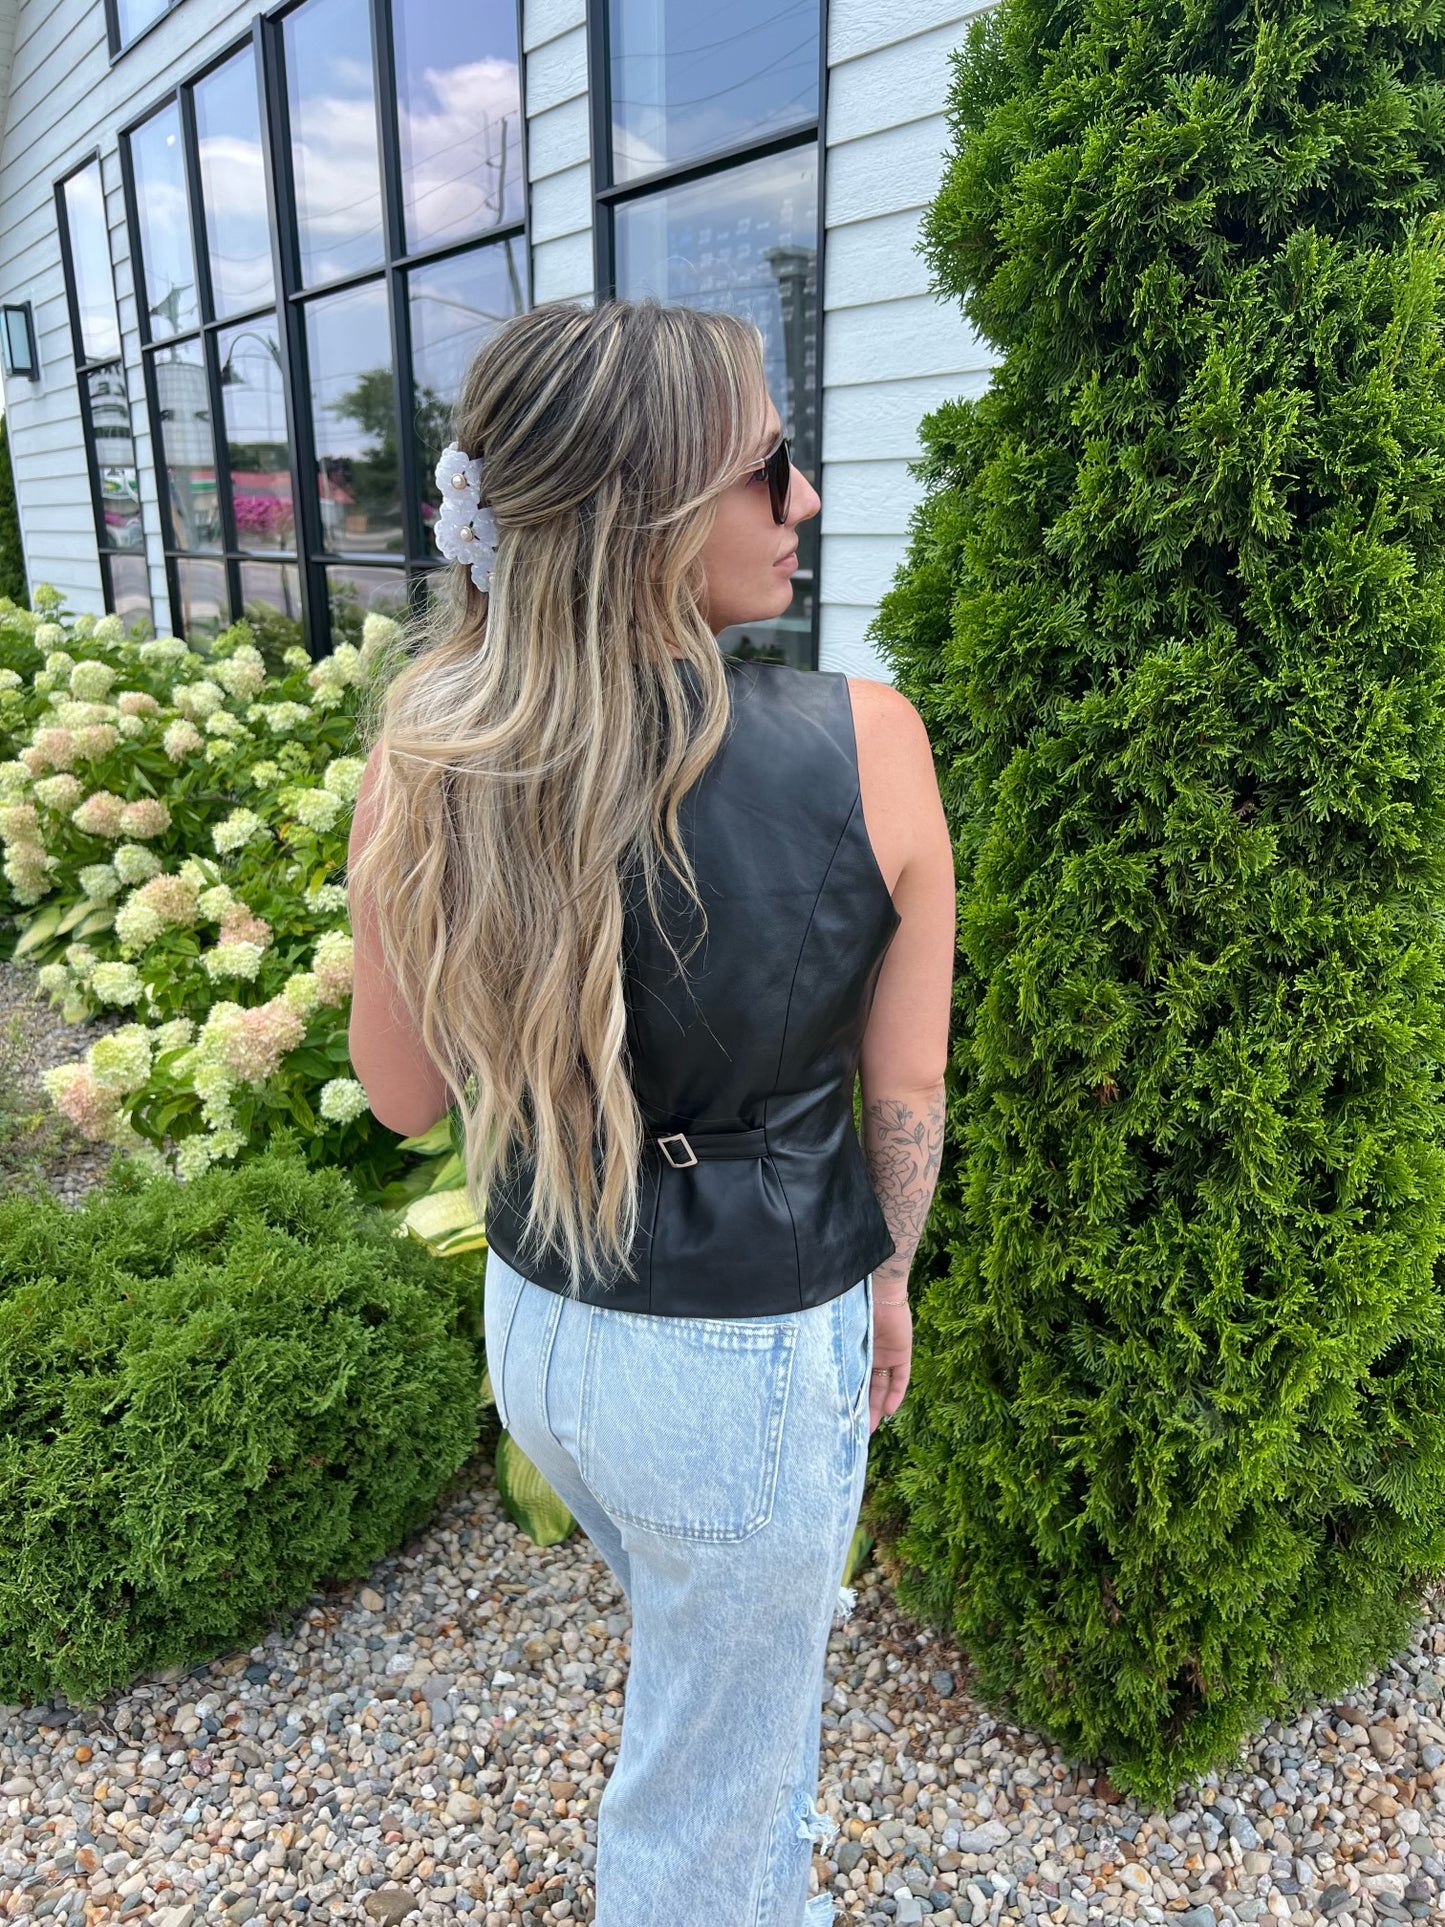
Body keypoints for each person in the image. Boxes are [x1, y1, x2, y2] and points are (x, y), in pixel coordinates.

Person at [346, 299, 954, 1927]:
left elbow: (401, 1096)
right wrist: (888, 1276)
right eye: (768, 465)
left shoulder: (432, 754)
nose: (802, 497)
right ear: (649, 512)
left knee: (710, 1693)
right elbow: (903, 1086)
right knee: (711, 1793)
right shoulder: (869, 742)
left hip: (542, 1324)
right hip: (747, 1346)